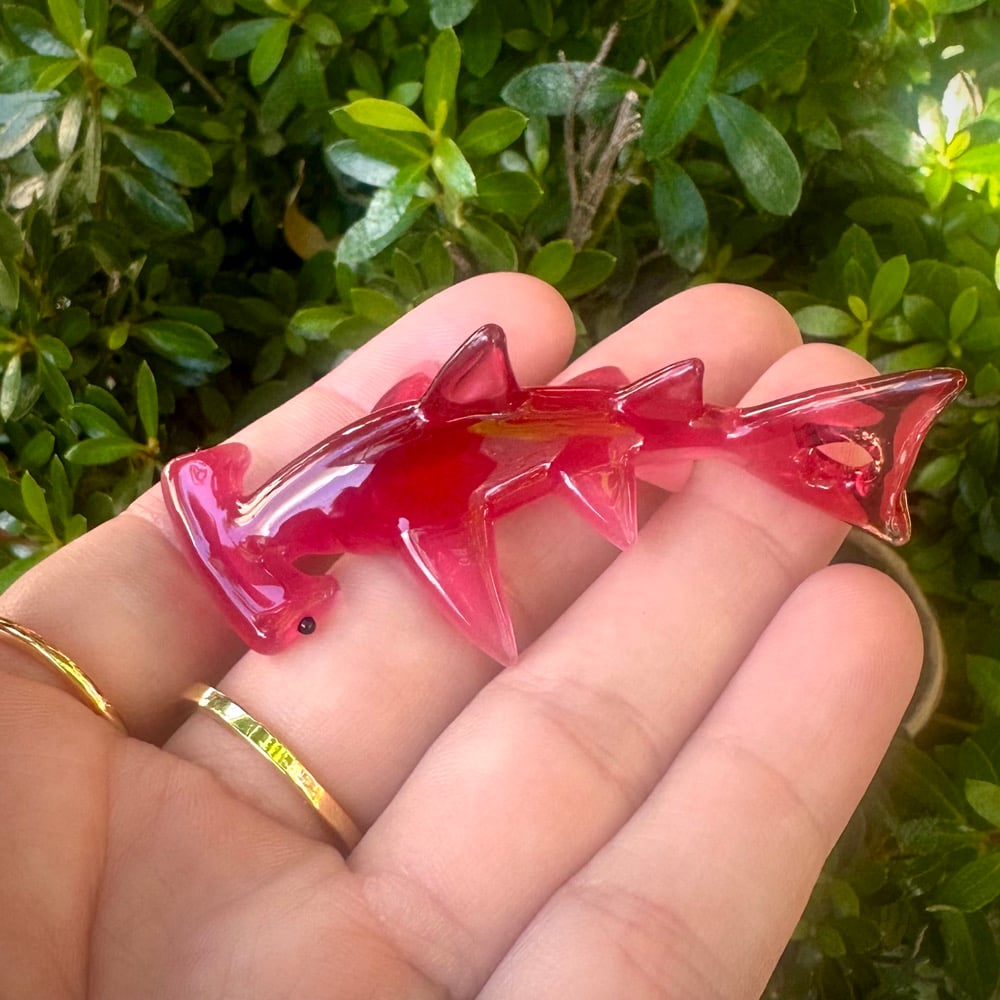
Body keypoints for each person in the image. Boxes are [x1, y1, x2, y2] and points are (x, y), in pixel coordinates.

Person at [0, 276, 922, 998]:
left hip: (513, 430)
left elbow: (436, 495)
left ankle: (828, 448)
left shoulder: (376, 504)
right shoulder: (337, 486)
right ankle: (825, 447)